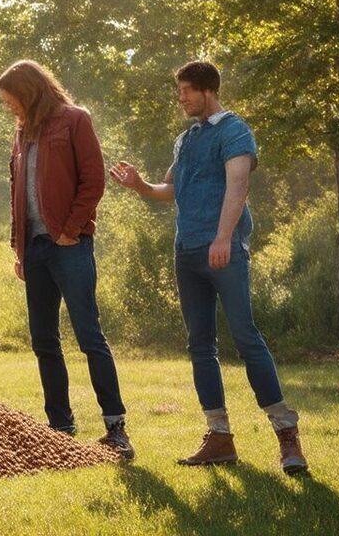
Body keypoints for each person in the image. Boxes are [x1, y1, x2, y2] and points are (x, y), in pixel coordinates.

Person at [110, 60, 307, 474]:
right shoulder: (185, 140)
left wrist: (222, 237)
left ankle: (287, 435)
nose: (180, 98)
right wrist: (140, 185)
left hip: (224, 250)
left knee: (246, 337)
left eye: (185, 90)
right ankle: (219, 436)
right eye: (179, 90)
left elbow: (238, 185)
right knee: (200, 345)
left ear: (207, 91)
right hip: (188, 253)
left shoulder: (234, 130)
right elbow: (171, 190)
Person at [0, 59, 134, 460]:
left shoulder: (75, 120)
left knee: (89, 335)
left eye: (11, 100)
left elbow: (93, 180)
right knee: (43, 340)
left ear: (30, 90)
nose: (9, 108)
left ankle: (116, 427)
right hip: (35, 248)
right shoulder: (21, 132)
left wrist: (71, 229)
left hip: (70, 246)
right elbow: (15, 190)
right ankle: (60, 426)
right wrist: (19, 247)